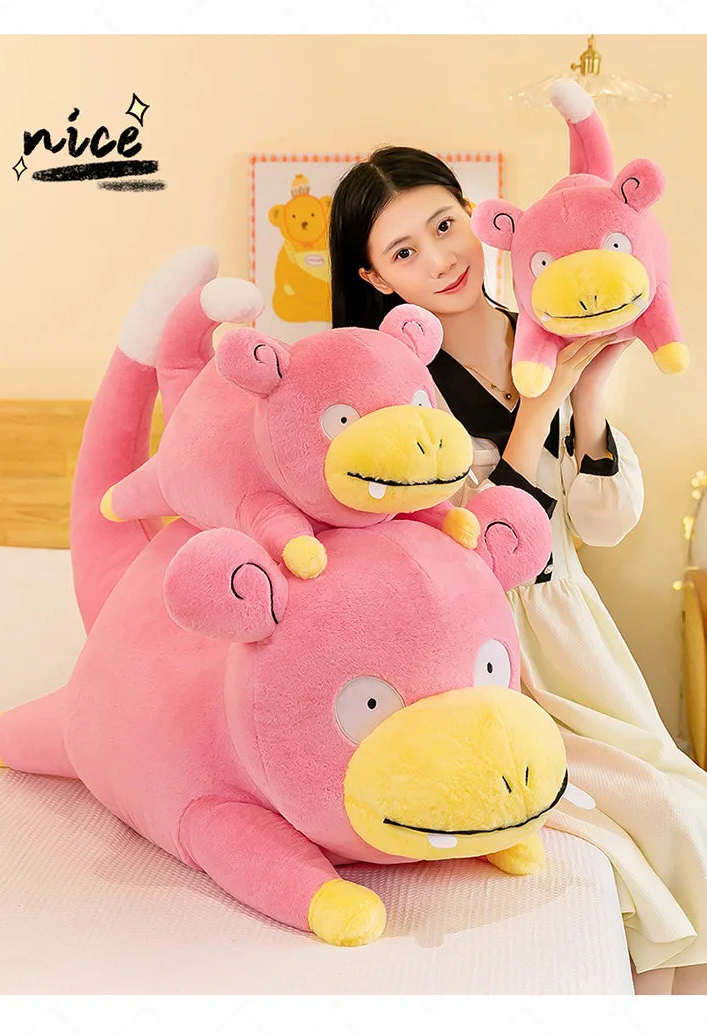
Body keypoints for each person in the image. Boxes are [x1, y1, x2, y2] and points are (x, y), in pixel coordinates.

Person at [329, 145, 707, 987]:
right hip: (487, 651)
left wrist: (589, 400)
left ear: (475, 216)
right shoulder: (396, 389)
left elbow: (603, 525)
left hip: (574, 628)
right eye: (404, 252)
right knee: (657, 821)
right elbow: (479, 559)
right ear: (376, 279)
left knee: (687, 809)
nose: (439, 259)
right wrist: (536, 416)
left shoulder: (544, 324)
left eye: (444, 225)